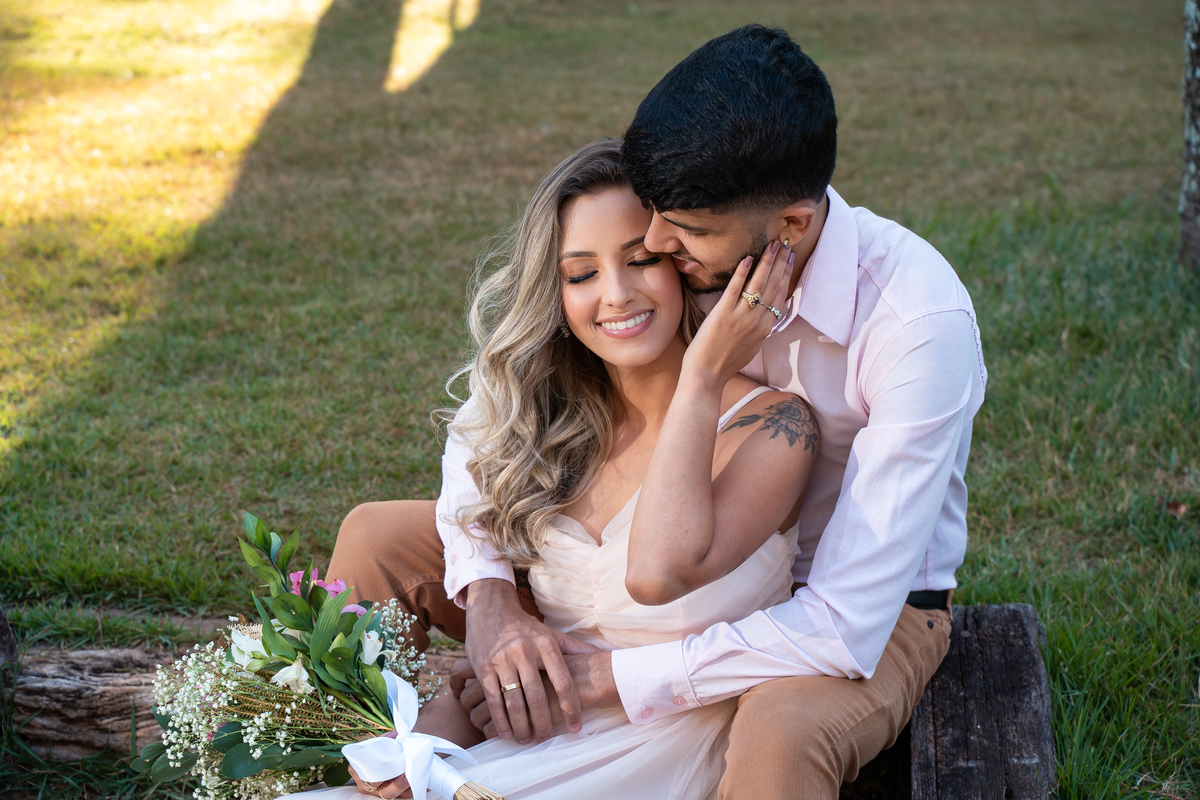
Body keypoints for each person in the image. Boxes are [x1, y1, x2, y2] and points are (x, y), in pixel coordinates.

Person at [331, 24, 986, 800]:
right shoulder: (692, 249)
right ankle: (341, 758)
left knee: (780, 738)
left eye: (681, 237)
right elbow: (488, 417)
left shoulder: (915, 326)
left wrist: (607, 677)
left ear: (793, 226)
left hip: (850, 607)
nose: (653, 246)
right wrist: (493, 600)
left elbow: (843, 622)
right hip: (640, 536)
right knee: (381, 539)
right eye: (656, 225)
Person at [318, 139, 813, 799]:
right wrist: (418, 748)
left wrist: (702, 374)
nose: (616, 295)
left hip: (657, 758)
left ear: (684, 265)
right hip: (532, 738)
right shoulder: (553, 417)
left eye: (641, 260)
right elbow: (509, 684)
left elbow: (661, 569)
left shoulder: (775, 428)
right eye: (581, 274)